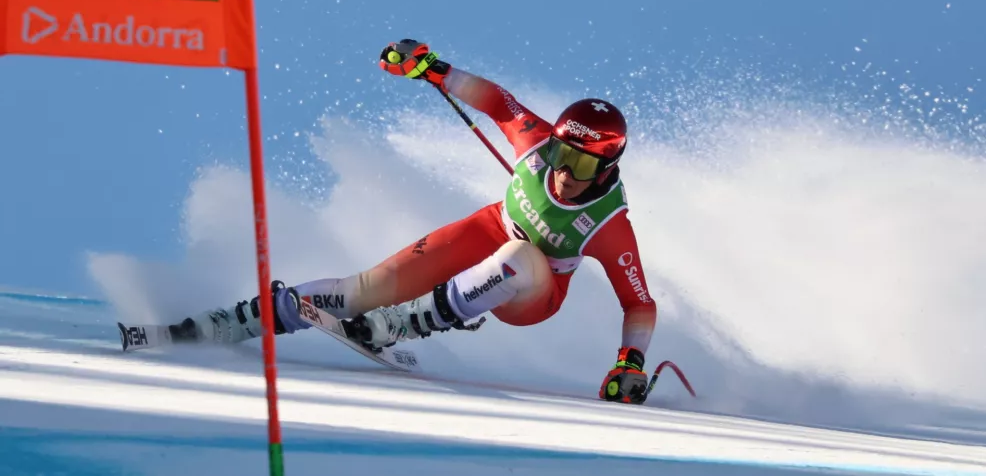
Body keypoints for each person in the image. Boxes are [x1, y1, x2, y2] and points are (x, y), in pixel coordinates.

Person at [170, 39, 658, 404]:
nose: (565, 173)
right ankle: (237, 320)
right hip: (489, 229)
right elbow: (496, 100)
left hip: (535, 291)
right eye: (560, 154)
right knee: (365, 289)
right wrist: (434, 68)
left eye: (583, 165)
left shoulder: (609, 224)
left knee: (520, 256)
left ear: (607, 169)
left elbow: (638, 303)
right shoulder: (534, 142)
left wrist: (629, 364)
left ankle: (404, 323)